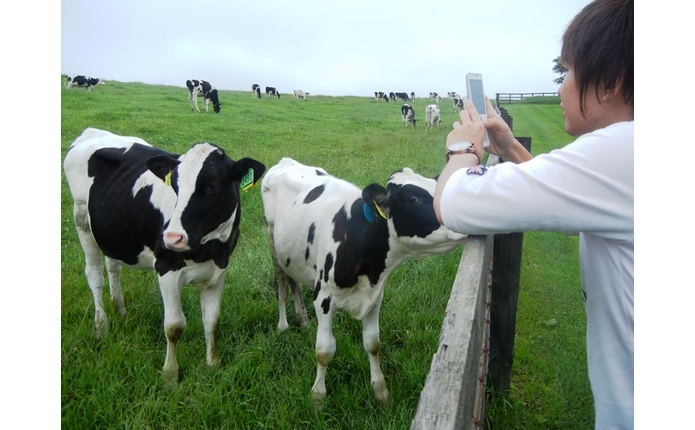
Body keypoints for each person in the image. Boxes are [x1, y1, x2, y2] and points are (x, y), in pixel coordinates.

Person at [433, 0, 634, 428]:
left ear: (611, 83)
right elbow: (571, 197)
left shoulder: (623, 150)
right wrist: (507, 148)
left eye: (570, 74)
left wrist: (462, 147)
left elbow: (453, 202)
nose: (562, 88)